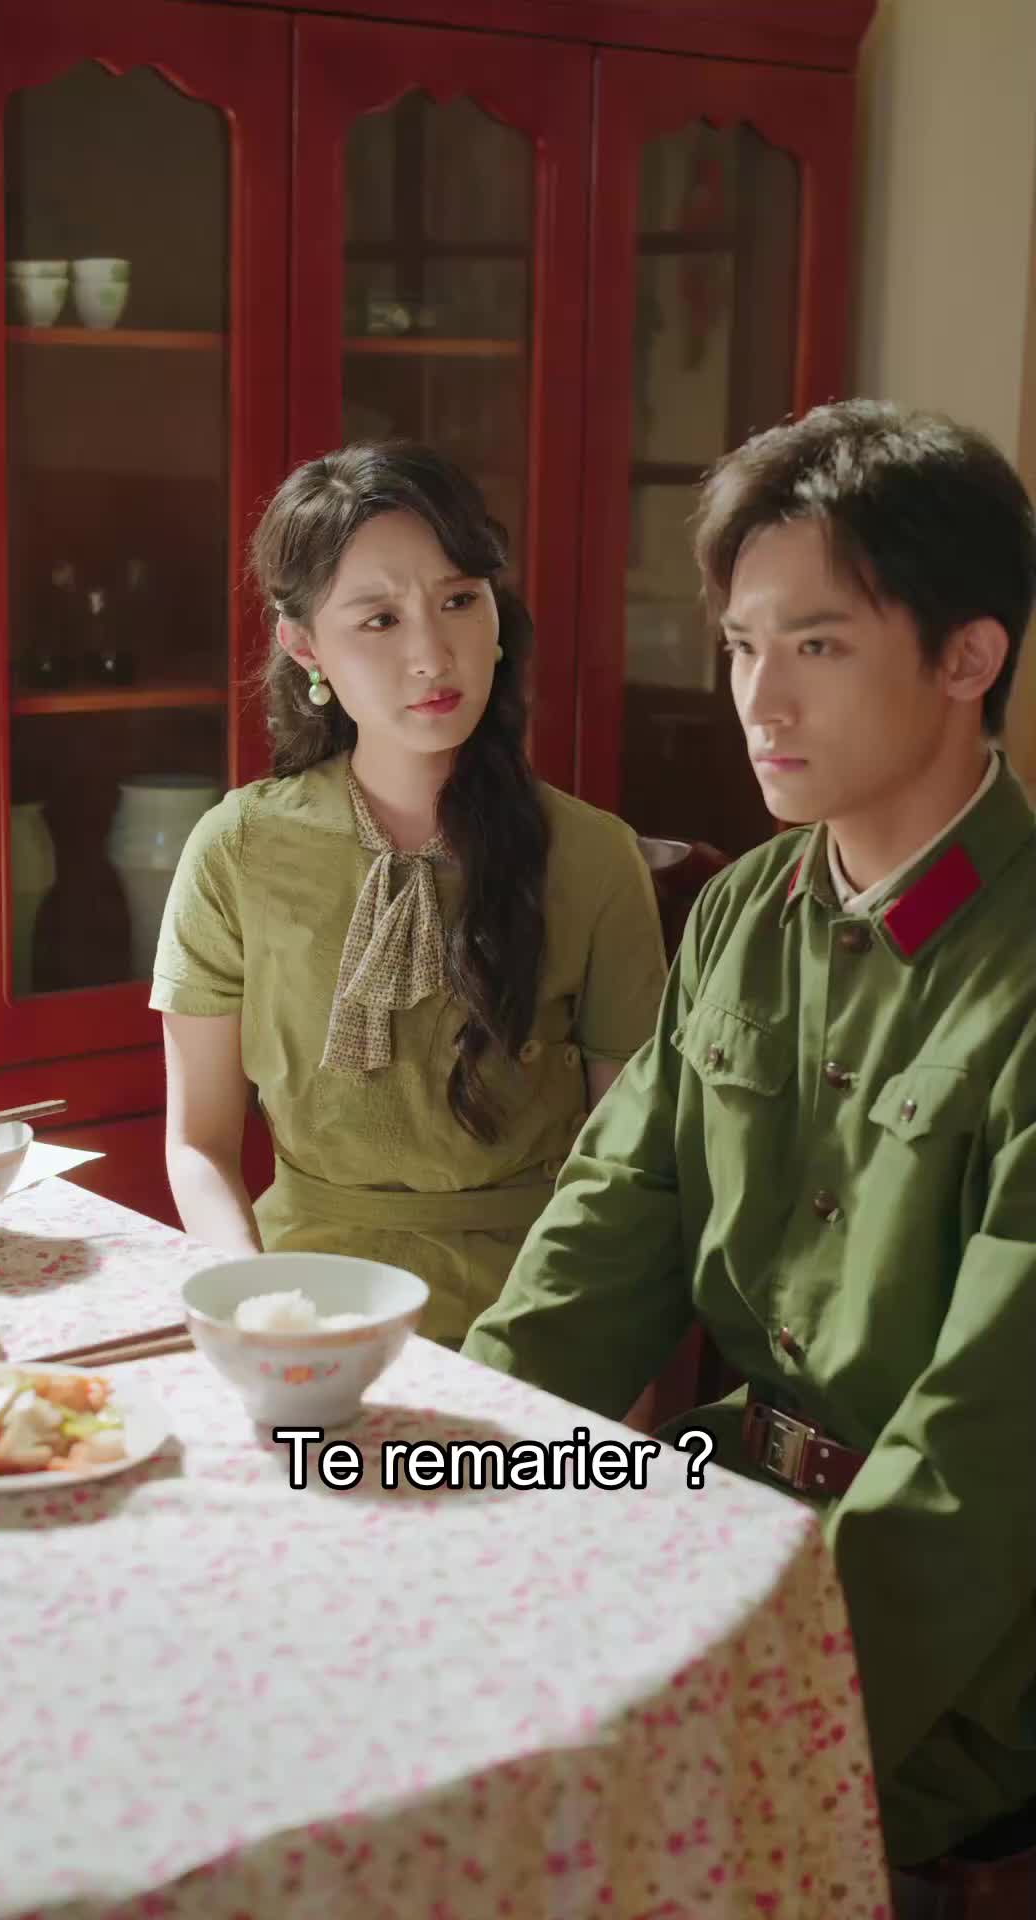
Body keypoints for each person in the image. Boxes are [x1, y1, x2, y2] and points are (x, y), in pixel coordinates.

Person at [462, 401, 1036, 1913]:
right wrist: (446, 1460)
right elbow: (611, 1227)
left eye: (818, 645)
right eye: (738, 645)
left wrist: (761, 1707)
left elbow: (985, 1452)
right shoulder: (742, 910)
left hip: (954, 1640)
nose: (758, 700)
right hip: (723, 1512)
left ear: (968, 657)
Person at [149, 443, 666, 1348]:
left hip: (532, 1310)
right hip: (299, 1302)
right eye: (380, 620)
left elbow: (630, 1168)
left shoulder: (592, 856)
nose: (432, 654)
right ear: (305, 647)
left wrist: (589, 1370)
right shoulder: (237, 849)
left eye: (459, 600)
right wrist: (252, 1307)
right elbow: (199, 1144)